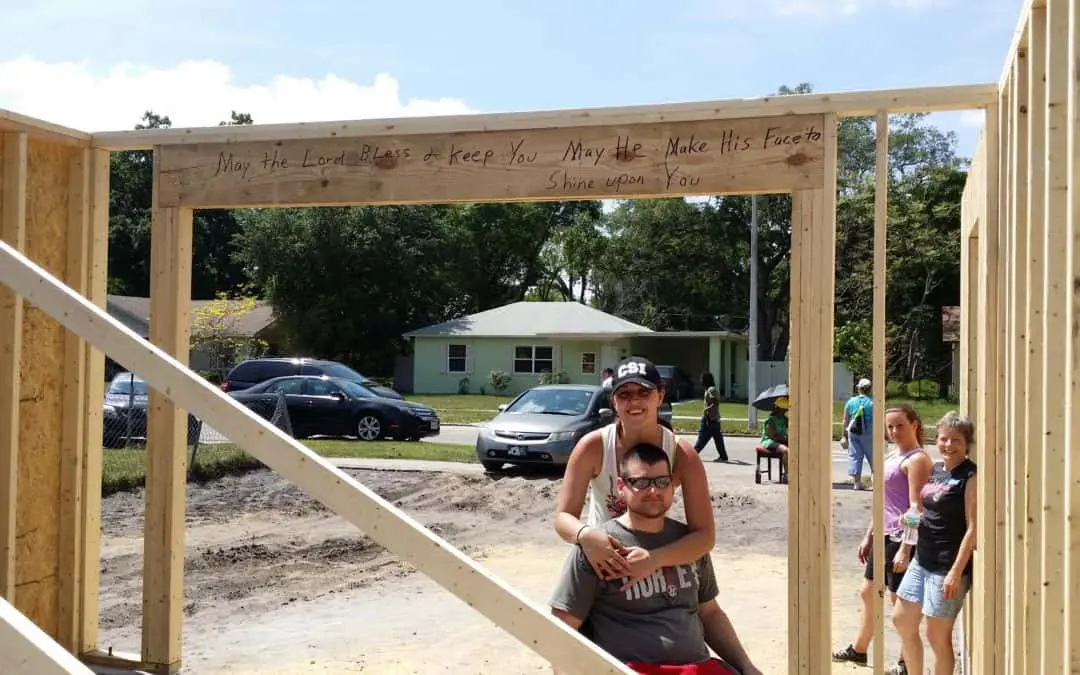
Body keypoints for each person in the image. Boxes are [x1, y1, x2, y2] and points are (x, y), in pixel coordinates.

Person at [549, 442, 762, 675]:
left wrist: (746, 666)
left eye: (662, 482)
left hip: (698, 669)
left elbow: (709, 612)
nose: (654, 491)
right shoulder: (599, 548)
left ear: (672, 485)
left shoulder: (688, 542)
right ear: (621, 486)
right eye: (640, 483)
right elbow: (562, 629)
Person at [554, 355, 715, 587]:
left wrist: (655, 559)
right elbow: (563, 517)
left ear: (660, 396)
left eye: (643, 392)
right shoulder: (592, 447)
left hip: (656, 556)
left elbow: (705, 536)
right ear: (613, 401)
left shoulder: (682, 454)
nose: (634, 402)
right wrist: (586, 535)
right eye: (625, 395)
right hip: (601, 557)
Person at [833, 404, 933, 672]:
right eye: (890, 426)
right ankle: (859, 649)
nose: (894, 431)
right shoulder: (891, 456)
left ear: (915, 424)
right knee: (867, 593)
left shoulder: (917, 460)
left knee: (899, 605)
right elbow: (883, 502)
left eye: (900, 425)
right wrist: (869, 535)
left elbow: (916, 508)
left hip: (902, 538)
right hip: (884, 535)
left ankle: (904, 662)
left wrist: (906, 547)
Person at [891, 412, 977, 675]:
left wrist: (955, 572)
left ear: (967, 444)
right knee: (902, 621)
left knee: (937, 638)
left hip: (946, 567)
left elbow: (973, 527)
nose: (948, 445)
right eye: (943, 439)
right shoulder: (937, 470)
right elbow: (923, 509)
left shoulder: (970, 475)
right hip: (922, 560)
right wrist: (908, 533)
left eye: (956, 440)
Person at [842, 378, 875, 489]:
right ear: (870, 389)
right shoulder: (873, 402)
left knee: (855, 456)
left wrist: (844, 435)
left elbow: (845, 420)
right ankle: (875, 483)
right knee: (873, 457)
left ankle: (857, 483)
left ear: (858, 389)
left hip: (854, 431)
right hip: (869, 432)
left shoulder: (851, 402)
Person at [694, 383, 728, 462]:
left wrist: (707, 409)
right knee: (717, 439)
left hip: (711, 419)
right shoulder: (709, 389)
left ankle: (692, 455)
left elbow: (715, 402)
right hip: (711, 418)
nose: (701, 381)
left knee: (702, 438)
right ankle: (723, 456)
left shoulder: (711, 389)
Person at [759, 398, 789, 482]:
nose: (785, 411)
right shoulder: (770, 420)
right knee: (786, 450)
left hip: (781, 441)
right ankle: (787, 474)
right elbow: (773, 436)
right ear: (778, 409)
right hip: (770, 441)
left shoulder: (785, 419)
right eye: (784, 409)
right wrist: (785, 439)